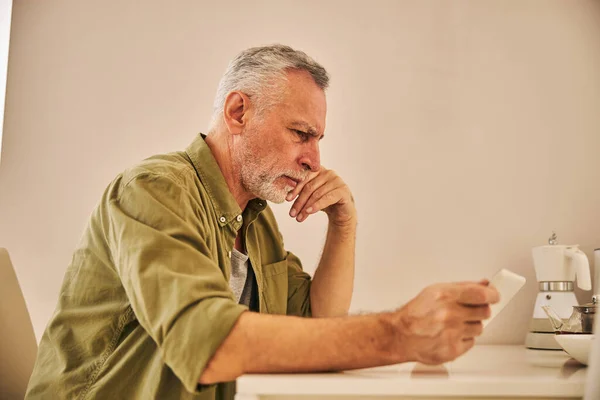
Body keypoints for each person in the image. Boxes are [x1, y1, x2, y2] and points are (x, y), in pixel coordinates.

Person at [26, 44, 499, 400]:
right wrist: (398, 333)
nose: (315, 159)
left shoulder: (256, 220)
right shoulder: (155, 190)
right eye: (301, 134)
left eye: (318, 140)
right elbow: (209, 342)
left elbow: (318, 327)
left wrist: (344, 225)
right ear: (238, 112)